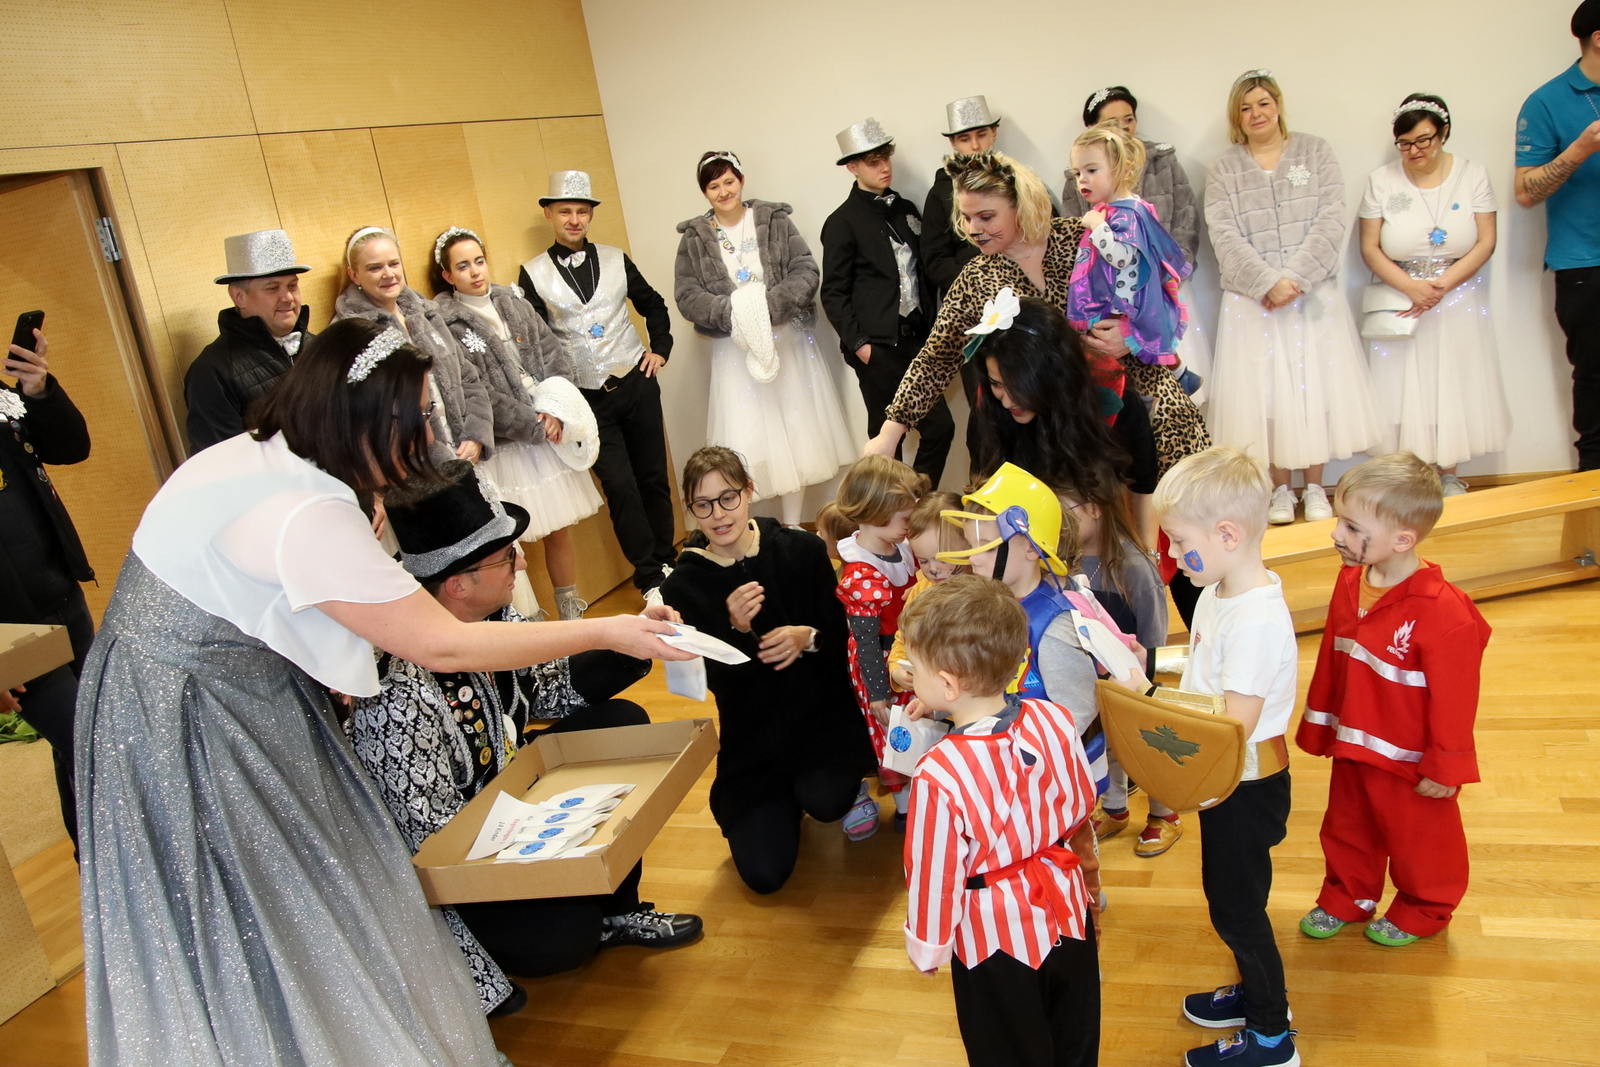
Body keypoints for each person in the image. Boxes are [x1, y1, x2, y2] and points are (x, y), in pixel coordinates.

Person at [74, 317, 693, 1066]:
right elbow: (443, 644)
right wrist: (607, 629)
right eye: (419, 416)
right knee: (260, 898)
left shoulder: (262, 456)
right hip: (201, 715)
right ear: (365, 420)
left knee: (265, 900)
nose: (430, 434)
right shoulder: (308, 512)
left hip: (165, 692)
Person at [349, 460, 701, 1016]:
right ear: (457, 583)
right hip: (474, 855)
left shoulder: (496, 618)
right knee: (563, 939)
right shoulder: (395, 692)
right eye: (504, 556)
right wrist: (537, 846)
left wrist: (632, 640)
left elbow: (548, 692)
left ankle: (615, 909)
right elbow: (433, 845)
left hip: (519, 805)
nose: (521, 561)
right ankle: (573, 918)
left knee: (620, 724)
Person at [865, 153, 1209, 546]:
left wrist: (1131, 335)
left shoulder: (1080, 238)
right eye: (966, 218)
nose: (973, 229)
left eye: (986, 217)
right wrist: (890, 432)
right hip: (1065, 436)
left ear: (1022, 206)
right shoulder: (976, 277)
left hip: (1140, 403)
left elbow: (1158, 288)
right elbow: (936, 358)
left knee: (1184, 532)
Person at [900, 574, 1102, 1067]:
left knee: (1006, 1050)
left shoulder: (938, 773)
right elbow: (1080, 799)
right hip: (1067, 909)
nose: (910, 674)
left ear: (948, 683)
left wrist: (928, 946)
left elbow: (934, 874)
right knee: (1074, 1037)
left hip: (994, 939)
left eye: (915, 667)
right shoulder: (1053, 719)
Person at [659, 446, 877, 893]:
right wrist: (735, 630)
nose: (719, 514)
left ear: (749, 492)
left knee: (828, 800)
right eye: (703, 505)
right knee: (764, 876)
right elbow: (708, 684)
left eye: (728, 498)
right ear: (690, 510)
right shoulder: (683, 585)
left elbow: (845, 643)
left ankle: (835, 788)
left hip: (819, 726)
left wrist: (807, 637)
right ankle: (783, 806)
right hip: (753, 746)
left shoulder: (802, 549)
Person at [1296, 452, 1490, 947]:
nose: (1335, 534)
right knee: (1346, 825)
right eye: (1339, 519)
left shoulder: (1445, 612)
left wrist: (1446, 766)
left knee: (1418, 837)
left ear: (1403, 540)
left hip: (1409, 758)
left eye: (1352, 526)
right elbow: (1334, 658)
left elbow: (1457, 698)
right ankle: (1348, 896)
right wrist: (1321, 725)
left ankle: (1426, 906)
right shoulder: (1349, 581)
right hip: (1354, 742)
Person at [1153, 446, 1298, 1067]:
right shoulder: (1217, 591)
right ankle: (1257, 991)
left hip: (1247, 784)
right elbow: (1205, 674)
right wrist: (1152, 672)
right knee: (1232, 898)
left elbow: (1232, 724)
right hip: (1226, 779)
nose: (1172, 553)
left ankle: (1271, 1036)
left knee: (1237, 908)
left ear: (1228, 535)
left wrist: (1153, 711)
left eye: (1180, 541)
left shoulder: (1256, 620)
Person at [1204, 70, 1379, 526]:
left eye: (1263, 103)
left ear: (1278, 105)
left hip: (1311, 296)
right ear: (1236, 117)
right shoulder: (1224, 168)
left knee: (1312, 388)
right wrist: (1266, 282)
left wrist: (1295, 279)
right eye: (1245, 108)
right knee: (1267, 395)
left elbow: (1331, 218)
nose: (1256, 114)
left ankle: (1315, 486)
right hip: (1252, 301)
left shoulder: (1315, 151)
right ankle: (1280, 488)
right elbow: (1223, 231)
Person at [934, 462, 1146, 800]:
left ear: (1032, 548)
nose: (974, 558)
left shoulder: (1054, 626)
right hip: (1010, 770)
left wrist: (1026, 756)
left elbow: (1076, 714)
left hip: (1050, 783)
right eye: (972, 544)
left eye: (987, 546)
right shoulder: (993, 607)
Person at [519, 170, 679, 604]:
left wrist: (660, 350)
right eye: (565, 212)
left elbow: (653, 305)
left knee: (653, 477)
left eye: (582, 212)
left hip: (636, 382)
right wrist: (553, 399)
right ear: (549, 214)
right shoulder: (532, 273)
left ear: (590, 215)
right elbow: (534, 343)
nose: (574, 220)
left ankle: (668, 560)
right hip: (586, 401)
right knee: (620, 487)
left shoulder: (615, 258)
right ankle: (649, 577)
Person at [430, 226, 602, 620]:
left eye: (478, 261)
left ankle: (570, 611)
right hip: (507, 442)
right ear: (447, 275)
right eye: (462, 266)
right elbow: (477, 391)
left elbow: (553, 353)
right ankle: (527, 618)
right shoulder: (447, 323)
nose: (475, 271)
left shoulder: (514, 301)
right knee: (511, 541)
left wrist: (555, 409)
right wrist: (531, 423)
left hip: (547, 427)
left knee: (559, 530)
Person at [673, 151, 855, 525]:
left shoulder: (774, 219)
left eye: (729, 181)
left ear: (741, 180)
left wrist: (769, 307)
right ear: (704, 192)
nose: (724, 191)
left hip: (786, 341)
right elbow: (686, 294)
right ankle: (745, 528)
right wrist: (735, 312)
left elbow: (805, 269)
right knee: (748, 438)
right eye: (713, 186)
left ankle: (793, 526)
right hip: (734, 350)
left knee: (796, 434)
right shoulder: (694, 237)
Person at [1359, 95, 1509, 492]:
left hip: (1458, 297)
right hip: (1401, 298)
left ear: (1443, 134)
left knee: (1454, 384)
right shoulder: (1381, 180)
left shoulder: (1472, 174)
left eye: (1424, 140)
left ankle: (1449, 472)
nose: (1415, 151)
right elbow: (1369, 247)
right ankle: (1412, 476)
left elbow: (1486, 240)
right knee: (1404, 388)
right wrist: (1411, 287)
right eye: (1405, 143)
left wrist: (1442, 285)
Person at [821, 118, 955, 486]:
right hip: (877, 346)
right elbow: (833, 292)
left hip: (917, 341)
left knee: (939, 428)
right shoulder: (842, 221)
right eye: (873, 162)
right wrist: (861, 345)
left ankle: (915, 503)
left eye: (886, 158)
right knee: (886, 441)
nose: (884, 167)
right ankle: (891, 512)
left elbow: (925, 270)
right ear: (853, 167)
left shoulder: (905, 208)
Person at [1, 326, 91, 852]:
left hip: (60, 591)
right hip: (12, 625)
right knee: (94, 744)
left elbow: (70, 447)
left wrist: (38, 391)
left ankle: (94, 870)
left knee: (77, 747)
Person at [1064, 86, 1211, 400]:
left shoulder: (1127, 212)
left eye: (1091, 170)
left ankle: (1160, 389)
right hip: (1119, 299)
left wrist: (1098, 226)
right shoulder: (1113, 208)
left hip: (1130, 300)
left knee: (1143, 351)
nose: (1082, 180)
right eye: (1077, 173)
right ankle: (1173, 379)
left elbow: (1123, 257)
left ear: (1121, 168)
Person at [1516, 0, 1600, 471]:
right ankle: (1594, 488)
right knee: (1595, 381)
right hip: (1586, 264)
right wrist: (1581, 149)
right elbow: (1525, 192)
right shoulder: (1546, 101)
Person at [335, 225, 493, 462]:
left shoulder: (427, 314)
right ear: (354, 275)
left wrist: (476, 435)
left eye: (394, 264)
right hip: (418, 464)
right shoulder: (350, 333)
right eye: (375, 268)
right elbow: (368, 417)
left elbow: (468, 377)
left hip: (466, 453)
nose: (388, 274)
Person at [829, 454, 926, 838]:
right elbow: (866, 640)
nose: (911, 524)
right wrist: (878, 694)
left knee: (921, 724)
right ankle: (905, 809)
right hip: (880, 665)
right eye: (905, 517)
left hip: (910, 652)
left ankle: (925, 792)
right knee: (894, 735)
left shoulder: (901, 545)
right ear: (877, 512)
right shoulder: (861, 572)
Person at [185, 229, 314, 453]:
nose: (288, 298)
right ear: (239, 297)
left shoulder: (320, 347)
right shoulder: (212, 371)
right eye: (272, 288)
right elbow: (220, 458)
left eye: (292, 286)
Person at [887, 490, 964, 697]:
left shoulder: (985, 592)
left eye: (942, 559)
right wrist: (896, 668)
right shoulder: (920, 592)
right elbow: (903, 638)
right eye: (923, 561)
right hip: (932, 700)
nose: (934, 570)